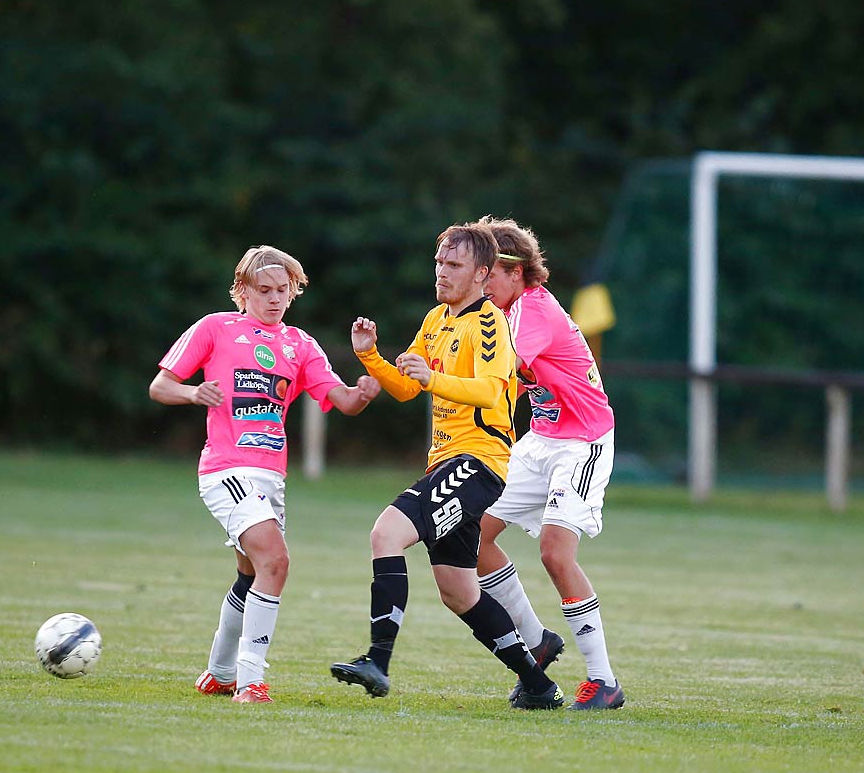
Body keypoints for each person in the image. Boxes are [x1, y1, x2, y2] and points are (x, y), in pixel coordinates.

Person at [329, 222, 565, 709]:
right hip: (448, 462)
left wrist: (432, 377)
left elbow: (489, 389)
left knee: (385, 534)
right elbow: (406, 387)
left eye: (454, 265)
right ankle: (539, 686)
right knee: (459, 592)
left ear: (482, 274)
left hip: (479, 460)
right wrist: (370, 356)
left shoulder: (489, 323)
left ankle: (378, 660)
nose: (442, 272)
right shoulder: (437, 319)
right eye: (439, 262)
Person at [150, 247, 380, 704]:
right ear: (243, 291)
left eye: (283, 290)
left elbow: (344, 401)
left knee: (251, 572)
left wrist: (365, 389)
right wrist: (195, 391)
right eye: (265, 290)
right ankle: (251, 681)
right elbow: (160, 386)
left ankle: (219, 674)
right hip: (225, 470)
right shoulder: (215, 327)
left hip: (270, 480)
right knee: (275, 561)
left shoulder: (300, 344)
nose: (275, 298)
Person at [475, 217, 625, 710]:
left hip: (583, 443)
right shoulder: (501, 311)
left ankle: (603, 681)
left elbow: (506, 370)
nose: (482, 282)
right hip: (540, 441)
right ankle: (536, 639)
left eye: (488, 272)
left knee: (556, 554)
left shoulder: (533, 310)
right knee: (469, 536)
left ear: (517, 272)